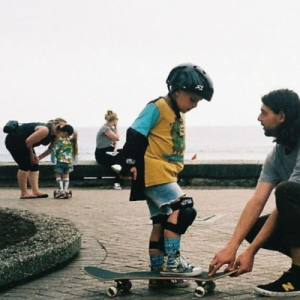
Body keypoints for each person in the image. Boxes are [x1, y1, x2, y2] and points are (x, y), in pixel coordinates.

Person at [119, 63, 214, 288]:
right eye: (192, 99)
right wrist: (129, 162)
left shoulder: (176, 112)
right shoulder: (158, 106)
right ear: (177, 91)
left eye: (198, 101)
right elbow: (135, 132)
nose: (194, 105)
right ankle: (173, 264)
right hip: (155, 172)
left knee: (161, 221)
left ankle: (158, 273)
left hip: (163, 173)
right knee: (185, 209)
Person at [209, 89, 300, 297]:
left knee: (287, 191)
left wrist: (251, 252)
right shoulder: (276, 155)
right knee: (252, 229)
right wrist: (231, 247)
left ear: (282, 116)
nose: (259, 118)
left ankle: (298, 273)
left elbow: (286, 203)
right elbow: (257, 201)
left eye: (264, 113)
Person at [5, 118, 68, 199]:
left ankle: (36, 191)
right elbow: (28, 142)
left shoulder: (57, 135)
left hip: (26, 143)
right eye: (59, 126)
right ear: (54, 124)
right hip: (14, 140)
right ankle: (24, 193)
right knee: (24, 165)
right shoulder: (44, 130)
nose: (60, 129)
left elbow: (51, 149)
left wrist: (39, 158)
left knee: (34, 165)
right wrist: (31, 155)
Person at [95, 110, 123, 190]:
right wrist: (117, 126)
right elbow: (117, 138)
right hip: (102, 153)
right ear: (114, 120)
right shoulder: (105, 128)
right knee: (116, 162)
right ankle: (117, 182)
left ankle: (117, 182)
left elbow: (116, 143)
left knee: (123, 153)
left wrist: (115, 150)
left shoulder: (111, 129)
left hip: (110, 152)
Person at [51, 124, 78, 199]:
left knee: (58, 175)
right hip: (69, 161)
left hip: (60, 161)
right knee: (66, 175)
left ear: (65, 133)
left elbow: (54, 150)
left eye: (61, 132)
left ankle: (61, 190)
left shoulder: (60, 141)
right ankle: (66, 190)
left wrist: (53, 158)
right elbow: (74, 152)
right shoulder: (72, 141)